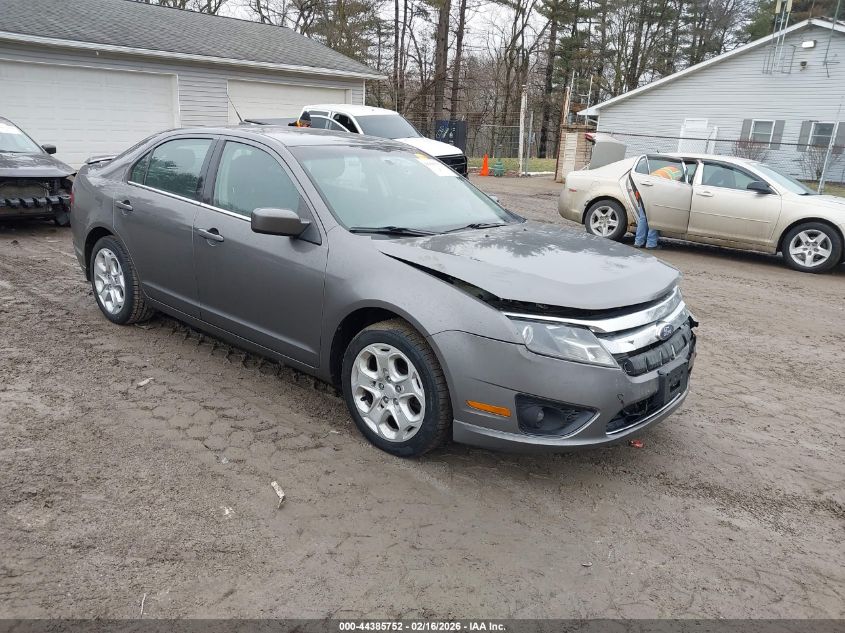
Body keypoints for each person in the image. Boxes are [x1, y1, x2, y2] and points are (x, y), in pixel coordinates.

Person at [634, 163, 681, 249]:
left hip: (644, 193)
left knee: (643, 218)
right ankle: (651, 244)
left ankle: (638, 242)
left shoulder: (662, 170)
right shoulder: (678, 173)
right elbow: (676, 188)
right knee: (655, 219)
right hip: (656, 194)